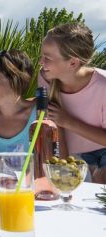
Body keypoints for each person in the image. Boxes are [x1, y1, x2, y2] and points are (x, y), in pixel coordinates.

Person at [38, 22, 106, 184]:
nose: (41, 62)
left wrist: (68, 121)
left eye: (47, 58)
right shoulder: (45, 78)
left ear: (73, 63)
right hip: (68, 157)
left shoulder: (103, 85)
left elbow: (62, 121)